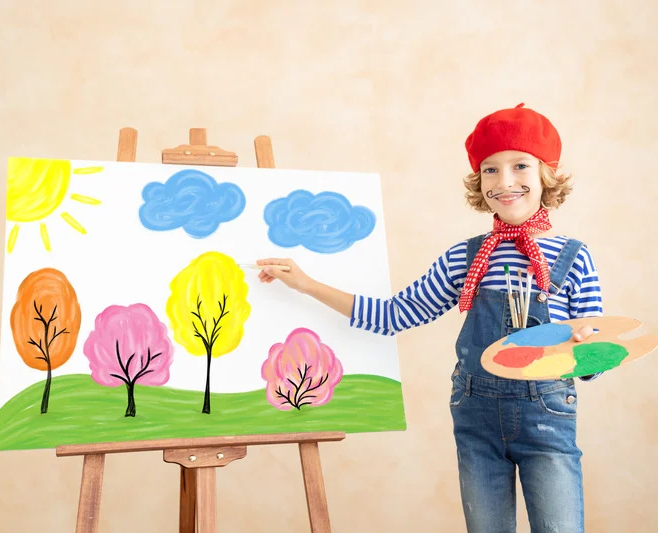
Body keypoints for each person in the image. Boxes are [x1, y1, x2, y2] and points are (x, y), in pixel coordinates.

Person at [255, 103, 603, 533]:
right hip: (476, 415)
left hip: (547, 415)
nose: (505, 181)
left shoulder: (574, 257)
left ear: (547, 175)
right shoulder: (466, 257)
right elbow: (392, 315)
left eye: (519, 166)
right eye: (490, 170)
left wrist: (587, 350)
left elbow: (593, 363)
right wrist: (306, 283)